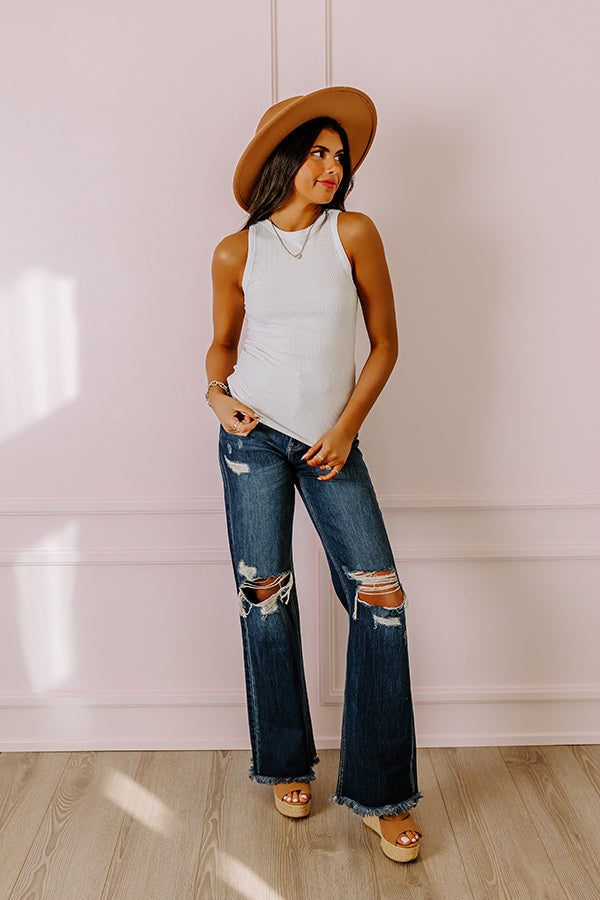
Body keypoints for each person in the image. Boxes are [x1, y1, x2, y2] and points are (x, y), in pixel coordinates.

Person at [205, 86, 423, 863]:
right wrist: (216, 396)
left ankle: (380, 790)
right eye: (317, 152)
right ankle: (286, 762)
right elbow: (222, 347)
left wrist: (345, 427)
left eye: (339, 155)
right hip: (254, 437)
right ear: (282, 162)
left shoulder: (354, 234)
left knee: (381, 596)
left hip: (333, 440)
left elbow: (386, 343)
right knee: (266, 599)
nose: (332, 166)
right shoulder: (238, 250)